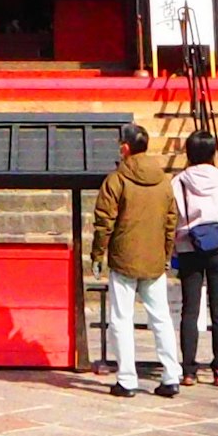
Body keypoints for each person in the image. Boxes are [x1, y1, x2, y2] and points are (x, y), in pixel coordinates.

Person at [90, 122, 181, 397]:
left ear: (125, 148)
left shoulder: (116, 180)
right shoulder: (164, 181)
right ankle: (171, 375)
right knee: (161, 318)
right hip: (154, 259)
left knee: (121, 319)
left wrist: (97, 253)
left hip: (124, 257)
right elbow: (170, 222)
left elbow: (103, 223)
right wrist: (166, 253)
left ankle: (127, 379)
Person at [169, 129, 218, 387]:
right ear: (212, 152)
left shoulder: (178, 181)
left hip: (189, 246)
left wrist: (174, 246)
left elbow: (173, 217)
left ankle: (189, 369)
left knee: (190, 310)